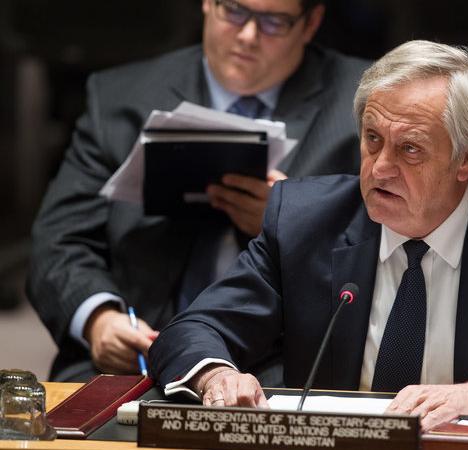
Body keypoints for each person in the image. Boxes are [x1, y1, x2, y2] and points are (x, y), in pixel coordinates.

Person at [148, 40, 468, 431]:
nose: (379, 168)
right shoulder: (305, 221)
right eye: (372, 139)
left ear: (467, 158)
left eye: (410, 149)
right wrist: (216, 375)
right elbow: (193, 329)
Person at [26, 0, 370, 382]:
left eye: (274, 22)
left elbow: (387, 250)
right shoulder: (119, 96)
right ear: (208, 3)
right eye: (234, 11)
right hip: (138, 351)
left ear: (311, 23)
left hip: (284, 364)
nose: (248, 35)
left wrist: (292, 222)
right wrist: (98, 318)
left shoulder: (363, 107)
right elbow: (59, 239)